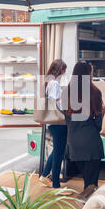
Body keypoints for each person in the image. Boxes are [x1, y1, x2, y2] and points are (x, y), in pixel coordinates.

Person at [62, 61, 104, 191]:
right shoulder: (94, 92)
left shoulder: (66, 92)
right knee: (92, 184)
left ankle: (87, 206)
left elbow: (66, 117)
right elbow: (99, 122)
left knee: (86, 181)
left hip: (74, 142)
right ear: (88, 75)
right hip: (91, 142)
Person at [39, 59, 68, 190]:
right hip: (58, 121)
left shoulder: (48, 82)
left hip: (52, 122)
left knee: (57, 150)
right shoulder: (55, 84)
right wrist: (64, 111)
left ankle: (45, 175)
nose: (64, 73)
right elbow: (55, 102)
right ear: (60, 70)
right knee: (59, 153)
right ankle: (55, 183)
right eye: (64, 70)